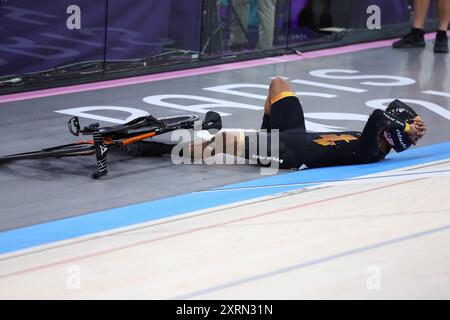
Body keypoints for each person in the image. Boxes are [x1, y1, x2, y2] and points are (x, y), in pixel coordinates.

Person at [127, 78, 427, 170]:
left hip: (286, 152)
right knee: (278, 84)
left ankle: (154, 150)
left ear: (390, 134)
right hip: (294, 133)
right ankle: (263, 128)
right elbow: (384, 116)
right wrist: (409, 127)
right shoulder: (375, 141)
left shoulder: (369, 152)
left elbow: (377, 116)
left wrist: (406, 129)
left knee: (221, 142)